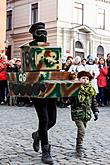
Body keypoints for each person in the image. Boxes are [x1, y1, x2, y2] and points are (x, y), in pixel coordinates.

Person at [66, 71, 99, 156]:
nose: (85, 80)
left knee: (81, 131)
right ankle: (79, 147)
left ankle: (78, 146)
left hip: (86, 114)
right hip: (77, 113)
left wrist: (95, 111)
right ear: (79, 79)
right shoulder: (75, 89)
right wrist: (66, 100)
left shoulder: (91, 90)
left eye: (87, 79)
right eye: (83, 78)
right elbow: (69, 100)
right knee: (82, 130)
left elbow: (93, 102)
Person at [32, 98, 57, 164]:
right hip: (39, 93)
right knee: (44, 120)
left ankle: (38, 134)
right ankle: (45, 151)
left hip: (51, 94)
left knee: (52, 120)